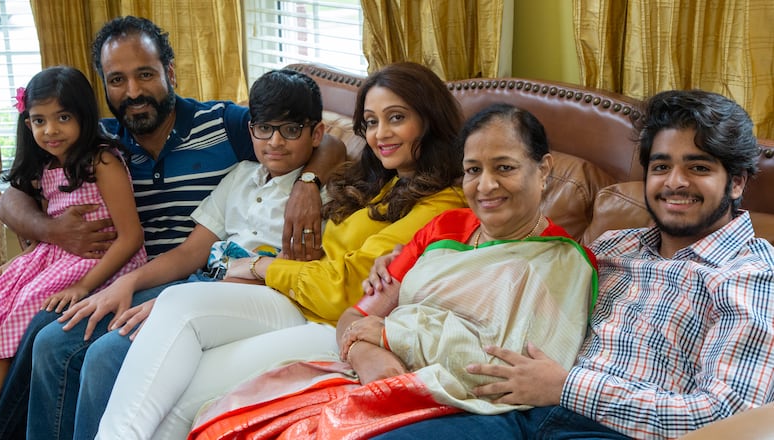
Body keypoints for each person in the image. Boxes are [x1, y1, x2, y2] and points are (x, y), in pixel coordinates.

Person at [0, 16, 344, 440]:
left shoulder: (225, 125)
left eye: (145, 74)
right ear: (104, 85)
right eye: (118, 79)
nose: (133, 91)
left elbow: (326, 141)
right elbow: (10, 196)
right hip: (138, 276)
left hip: (190, 282)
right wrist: (52, 231)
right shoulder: (96, 140)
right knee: (47, 334)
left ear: (169, 73)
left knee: (77, 346)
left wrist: (308, 184)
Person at [95, 61, 468, 440]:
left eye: (396, 118)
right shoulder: (382, 181)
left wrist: (260, 266)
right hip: (295, 301)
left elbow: (346, 289)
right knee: (172, 377)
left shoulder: (441, 205)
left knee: (179, 353)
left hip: (331, 324)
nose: (380, 134)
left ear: (429, 120)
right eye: (371, 122)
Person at [184, 103, 601, 440]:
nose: (486, 186)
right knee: (224, 423)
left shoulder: (563, 261)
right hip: (374, 374)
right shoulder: (444, 229)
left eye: (504, 168)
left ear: (543, 169)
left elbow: (508, 375)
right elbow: (356, 318)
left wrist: (391, 335)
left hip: (457, 402)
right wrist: (367, 353)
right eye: (473, 170)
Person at [373, 90, 774, 439]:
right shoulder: (615, 246)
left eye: (698, 167)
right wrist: (408, 261)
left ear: (736, 181)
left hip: (608, 430)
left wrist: (567, 387)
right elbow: (521, 269)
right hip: (514, 413)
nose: (675, 182)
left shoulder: (750, 276)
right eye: (661, 166)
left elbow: (727, 416)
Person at [0, 66, 146, 430]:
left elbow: (131, 237)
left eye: (62, 118)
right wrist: (15, 265)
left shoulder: (102, 161)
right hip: (56, 260)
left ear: (83, 117)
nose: (50, 130)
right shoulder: (47, 167)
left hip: (100, 265)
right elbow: (47, 235)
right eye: (39, 120)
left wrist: (84, 287)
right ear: (27, 124)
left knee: (10, 329)